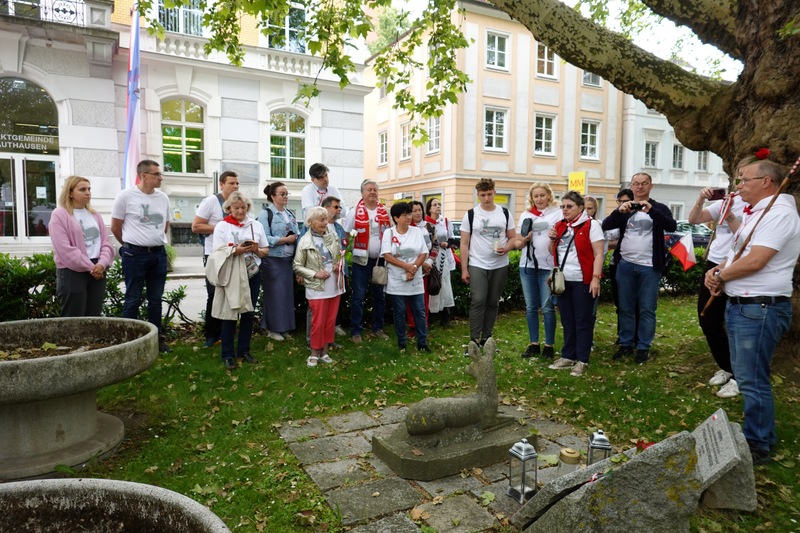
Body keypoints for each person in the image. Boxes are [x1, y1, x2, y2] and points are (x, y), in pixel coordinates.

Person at [704, 158, 800, 465]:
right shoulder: (758, 212)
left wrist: (721, 276)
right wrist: (717, 270)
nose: (739, 186)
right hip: (743, 305)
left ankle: (759, 442)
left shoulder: (780, 213)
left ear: (766, 182)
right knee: (746, 375)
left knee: (752, 378)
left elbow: (757, 260)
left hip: (760, 307)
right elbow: (739, 253)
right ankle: (757, 434)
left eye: (744, 179)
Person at [601, 172, 677, 363]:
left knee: (647, 308)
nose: (640, 187)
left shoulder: (659, 208)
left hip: (649, 266)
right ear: (631, 186)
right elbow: (606, 225)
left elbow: (671, 226)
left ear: (651, 186)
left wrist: (651, 211)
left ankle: (643, 347)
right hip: (625, 264)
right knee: (625, 307)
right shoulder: (626, 208)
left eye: (644, 183)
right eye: (636, 183)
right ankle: (626, 344)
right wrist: (619, 211)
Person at [688, 181, 744, 398]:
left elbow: (743, 238)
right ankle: (727, 366)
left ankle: (740, 377)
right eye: (739, 177)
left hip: (738, 264)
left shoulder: (757, 207)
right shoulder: (727, 201)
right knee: (708, 317)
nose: (741, 183)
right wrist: (701, 199)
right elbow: (694, 219)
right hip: (715, 262)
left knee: (737, 322)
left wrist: (729, 215)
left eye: (745, 178)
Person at [111, 160, 172, 352]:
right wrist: (130, 246)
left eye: (160, 174)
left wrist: (154, 240)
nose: (160, 178)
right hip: (134, 254)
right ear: (143, 175)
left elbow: (165, 224)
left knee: (156, 300)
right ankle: (129, 342)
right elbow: (115, 227)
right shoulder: (125, 196)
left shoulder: (163, 198)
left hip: (158, 254)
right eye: (156, 174)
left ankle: (155, 340)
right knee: (133, 299)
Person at [206, 191, 269, 370]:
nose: (240, 211)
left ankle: (244, 351)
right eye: (236, 208)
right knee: (230, 314)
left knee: (248, 314)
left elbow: (266, 251)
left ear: (248, 207)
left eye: (243, 207)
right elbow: (217, 252)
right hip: (232, 275)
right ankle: (227, 355)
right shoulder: (222, 226)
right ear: (229, 208)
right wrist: (235, 250)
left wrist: (256, 250)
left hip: (252, 274)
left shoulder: (256, 225)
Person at [546, 192, 605, 377]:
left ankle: (582, 359)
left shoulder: (591, 225)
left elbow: (599, 254)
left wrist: (595, 278)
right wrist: (552, 240)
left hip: (583, 280)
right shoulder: (560, 225)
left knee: (582, 320)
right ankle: (568, 355)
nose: (565, 210)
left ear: (580, 208)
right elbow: (553, 252)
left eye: (569, 206)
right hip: (564, 280)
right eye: (563, 206)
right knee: (567, 320)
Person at [460, 178, 516, 347]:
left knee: (492, 301)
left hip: (499, 264)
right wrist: (464, 269)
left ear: (494, 193)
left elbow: (513, 237)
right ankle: (474, 340)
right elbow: (464, 243)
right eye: (483, 195)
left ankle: (486, 338)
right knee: (478, 299)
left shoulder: (504, 213)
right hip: (477, 263)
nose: (486, 198)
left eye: (489, 194)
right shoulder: (471, 214)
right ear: (478, 195)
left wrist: (507, 248)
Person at [49, 176, 115, 317]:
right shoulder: (60, 215)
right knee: (74, 319)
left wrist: (102, 264)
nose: (88, 193)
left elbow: (106, 242)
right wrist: (91, 267)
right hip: (73, 272)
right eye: (82, 189)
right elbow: (64, 249)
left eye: (89, 189)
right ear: (70, 193)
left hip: (98, 270)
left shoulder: (94, 215)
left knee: (93, 318)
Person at [192, 170, 240, 347]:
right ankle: (211, 335)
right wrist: (222, 227)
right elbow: (196, 226)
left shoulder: (238, 203)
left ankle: (226, 333)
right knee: (214, 294)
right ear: (221, 184)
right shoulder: (211, 201)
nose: (235, 186)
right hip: (214, 255)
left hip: (234, 254)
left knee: (231, 295)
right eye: (231, 183)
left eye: (237, 183)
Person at [514, 182, 561, 359]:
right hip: (527, 266)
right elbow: (518, 243)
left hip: (547, 266)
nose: (539, 199)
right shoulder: (526, 215)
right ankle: (534, 343)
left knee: (548, 307)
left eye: (542, 195)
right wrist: (524, 240)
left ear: (549, 195)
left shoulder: (557, 213)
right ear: (531, 198)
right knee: (531, 307)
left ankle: (549, 345)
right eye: (536, 196)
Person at [294, 206, 345, 366]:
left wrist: (338, 265)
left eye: (325, 219)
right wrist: (315, 274)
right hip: (316, 287)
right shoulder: (305, 241)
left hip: (334, 285)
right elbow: (297, 266)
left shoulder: (332, 235)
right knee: (318, 322)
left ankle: (325, 352)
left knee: (330, 321)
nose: (325, 223)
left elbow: (340, 255)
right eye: (321, 220)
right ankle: (314, 353)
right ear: (310, 222)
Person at [343, 180, 392, 343]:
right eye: (369, 189)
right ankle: (356, 331)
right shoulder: (354, 212)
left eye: (375, 190)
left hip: (380, 261)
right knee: (358, 297)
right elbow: (346, 234)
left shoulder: (385, 211)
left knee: (379, 297)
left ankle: (378, 328)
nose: (372, 192)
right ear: (362, 193)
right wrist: (347, 250)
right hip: (361, 261)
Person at [382, 202, 429, 351]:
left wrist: (413, 268)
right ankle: (402, 343)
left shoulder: (417, 232)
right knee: (400, 312)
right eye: (404, 215)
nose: (408, 217)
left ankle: (422, 343)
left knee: (419, 311)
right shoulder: (389, 233)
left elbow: (424, 253)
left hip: (415, 278)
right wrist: (406, 266)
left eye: (409, 214)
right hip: (397, 280)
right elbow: (387, 256)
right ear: (396, 218)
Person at [258, 182, 299, 341]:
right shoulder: (266, 214)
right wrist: (285, 240)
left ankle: (284, 327)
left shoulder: (289, 213)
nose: (286, 197)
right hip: (274, 259)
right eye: (282, 194)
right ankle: (273, 328)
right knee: (275, 294)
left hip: (288, 260)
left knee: (286, 295)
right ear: (273, 196)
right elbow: (264, 238)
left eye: (287, 194)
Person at [605, 189, 635, 345]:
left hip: (635, 263)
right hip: (617, 263)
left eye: (625, 201)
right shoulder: (618, 214)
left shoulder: (637, 214)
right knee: (620, 303)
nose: (622, 204)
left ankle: (635, 336)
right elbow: (606, 228)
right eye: (620, 201)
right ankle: (622, 335)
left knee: (636, 303)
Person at [425, 197, 456, 327]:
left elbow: (452, 239)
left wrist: (447, 243)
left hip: (444, 257)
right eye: (435, 205)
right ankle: (431, 316)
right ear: (429, 208)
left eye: (439, 204)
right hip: (431, 257)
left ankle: (445, 317)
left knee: (445, 284)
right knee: (432, 282)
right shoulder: (425, 223)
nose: (438, 206)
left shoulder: (446, 222)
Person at [407, 200, 434, 336]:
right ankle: (412, 325)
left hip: (426, 268)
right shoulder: (407, 228)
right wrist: (420, 263)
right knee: (411, 299)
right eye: (414, 211)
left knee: (424, 299)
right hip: (413, 267)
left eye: (419, 210)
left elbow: (434, 246)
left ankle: (424, 325)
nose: (418, 213)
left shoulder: (429, 226)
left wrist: (429, 262)